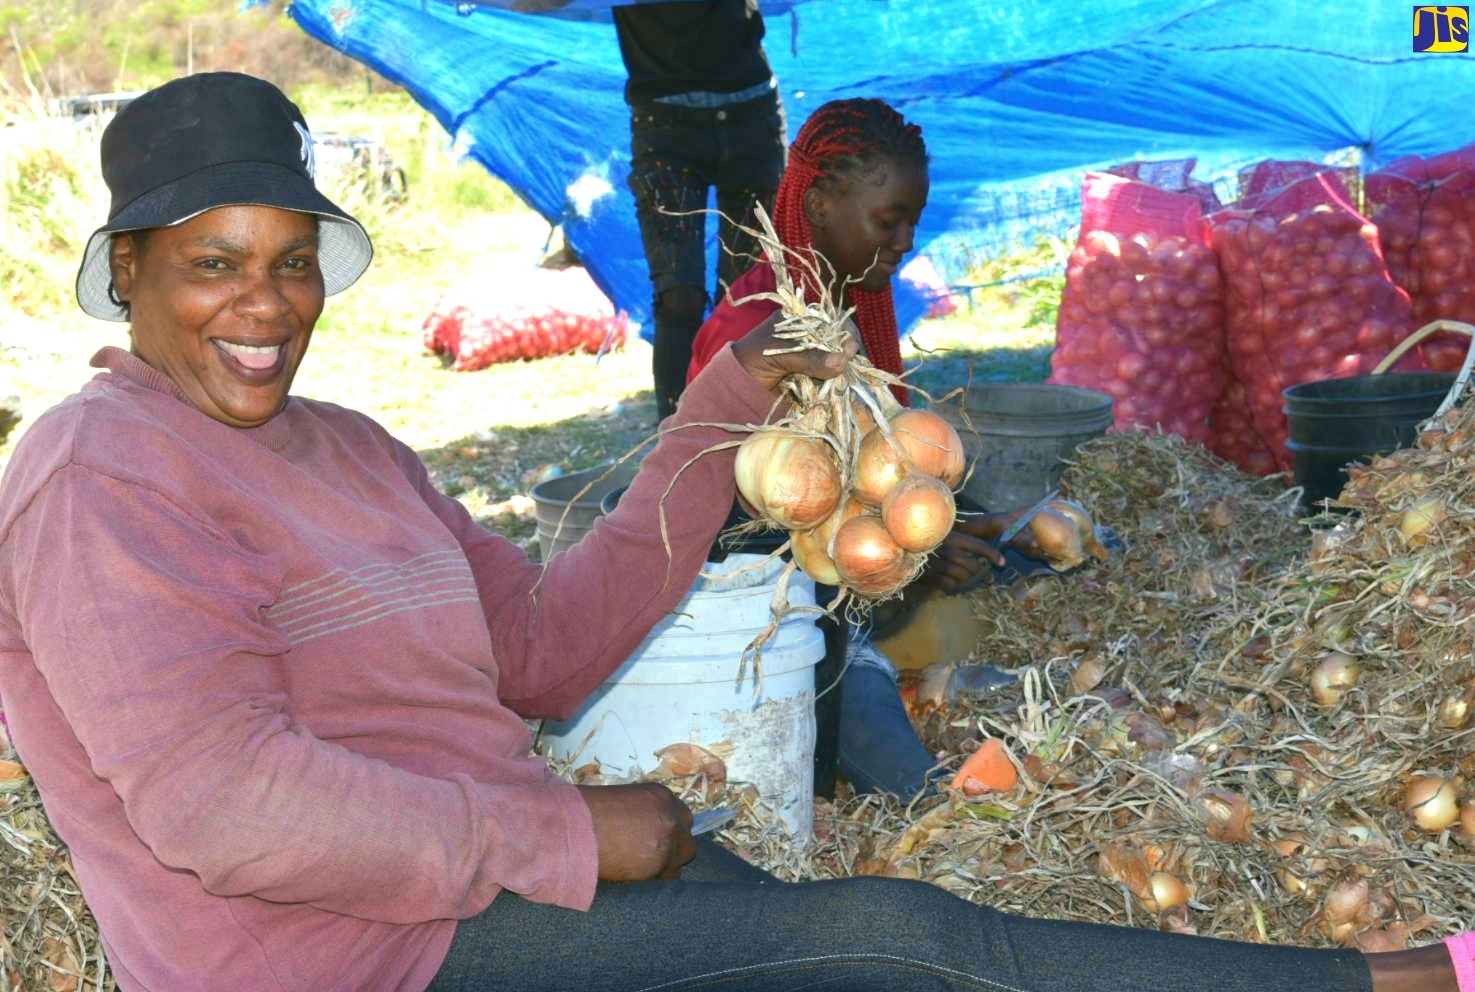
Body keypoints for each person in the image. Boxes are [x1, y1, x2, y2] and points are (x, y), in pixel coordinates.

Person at [0, 71, 1465, 992]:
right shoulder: (96, 472)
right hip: (345, 951)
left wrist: (720, 413)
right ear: (126, 270)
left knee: (809, 925)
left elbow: (544, 652)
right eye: (210, 267)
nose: (262, 309)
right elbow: (224, 807)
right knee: (898, 945)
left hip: (475, 880)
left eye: (288, 267)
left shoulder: (352, 448)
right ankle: (1390, 984)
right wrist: (558, 829)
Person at [686, 97, 1034, 797]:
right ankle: (924, 788)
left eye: (912, 221)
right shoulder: (760, 328)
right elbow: (754, 526)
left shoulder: (844, 306)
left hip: (853, 578)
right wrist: (915, 553)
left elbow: (873, 470)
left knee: (1028, 552)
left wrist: (944, 529)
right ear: (817, 205)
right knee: (871, 718)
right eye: (889, 220)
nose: (905, 240)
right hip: (776, 611)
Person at [613, 0, 788, 422]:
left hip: (751, 115)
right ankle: (675, 449)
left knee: (750, 294)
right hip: (665, 125)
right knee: (679, 297)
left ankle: (749, 444)